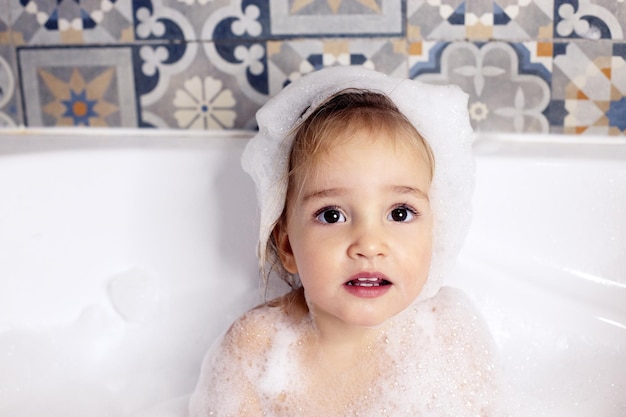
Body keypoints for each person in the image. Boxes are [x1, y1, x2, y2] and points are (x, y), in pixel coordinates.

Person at [189, 66, 504, 416]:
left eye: (399, 213)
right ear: (288, 246)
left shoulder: (447, 340)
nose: (369, 244)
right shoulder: (255, 350)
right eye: (331, 215)